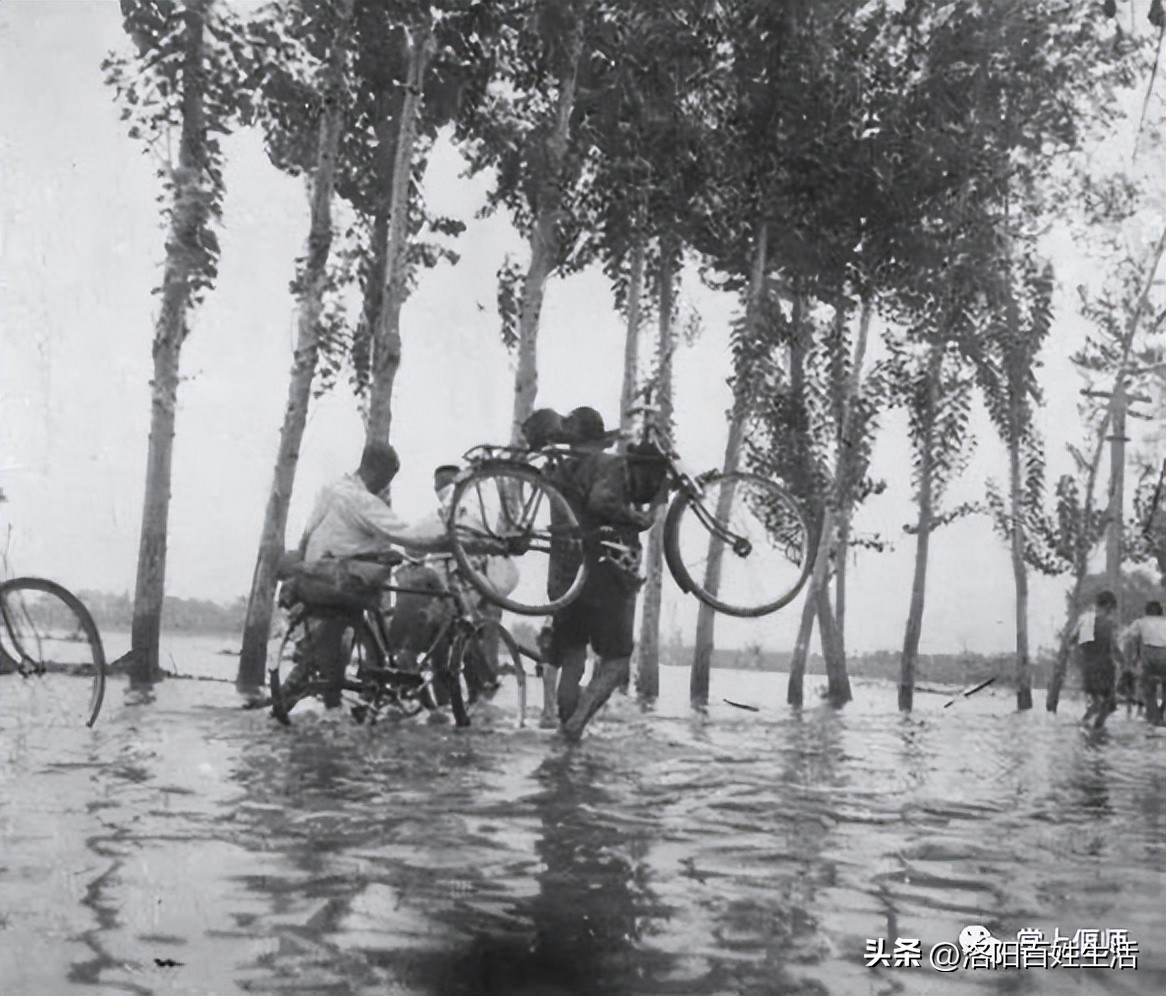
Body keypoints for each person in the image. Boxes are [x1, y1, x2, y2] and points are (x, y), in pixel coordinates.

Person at [280, 443, 449, 712]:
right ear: (380, 471)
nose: (385, 487)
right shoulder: (363, 500)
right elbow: (406, 534)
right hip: (341, 584)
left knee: (331, 646)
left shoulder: (331, 489)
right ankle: (371, 685)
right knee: (363, 614)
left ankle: (328, 703)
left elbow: (307, 533)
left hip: (313, 579)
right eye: (387, 479)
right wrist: (448, 539)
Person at [538, 406, 653, 739]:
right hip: (605, 571)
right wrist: (638, 520)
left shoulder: (557, 470)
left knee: (572, 653)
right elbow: (602, 503)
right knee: (617, 660)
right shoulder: (609, 463)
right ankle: (574, 728)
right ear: (600, 440)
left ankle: (563, 737)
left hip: (563, 575)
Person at [1075, 589, 1124, 730]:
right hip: (1105, 668)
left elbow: (1072, 641)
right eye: (1112, 608)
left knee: (1097, 701)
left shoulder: (1084, 619)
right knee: (1109, 704)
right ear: (1109, 606)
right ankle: (1097, 731)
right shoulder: (1109, 624)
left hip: (1088, 668)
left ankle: (1084, 725)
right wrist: (1124, 663)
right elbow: (1113, 646)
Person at [1126, 600, 1166, 726]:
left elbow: (1128, 636)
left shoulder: (1141, 622)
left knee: (1149, 688)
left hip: (1149, 657)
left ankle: (1153, 717)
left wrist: (1134, 656)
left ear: (1146, 612)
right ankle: (1161, 713)